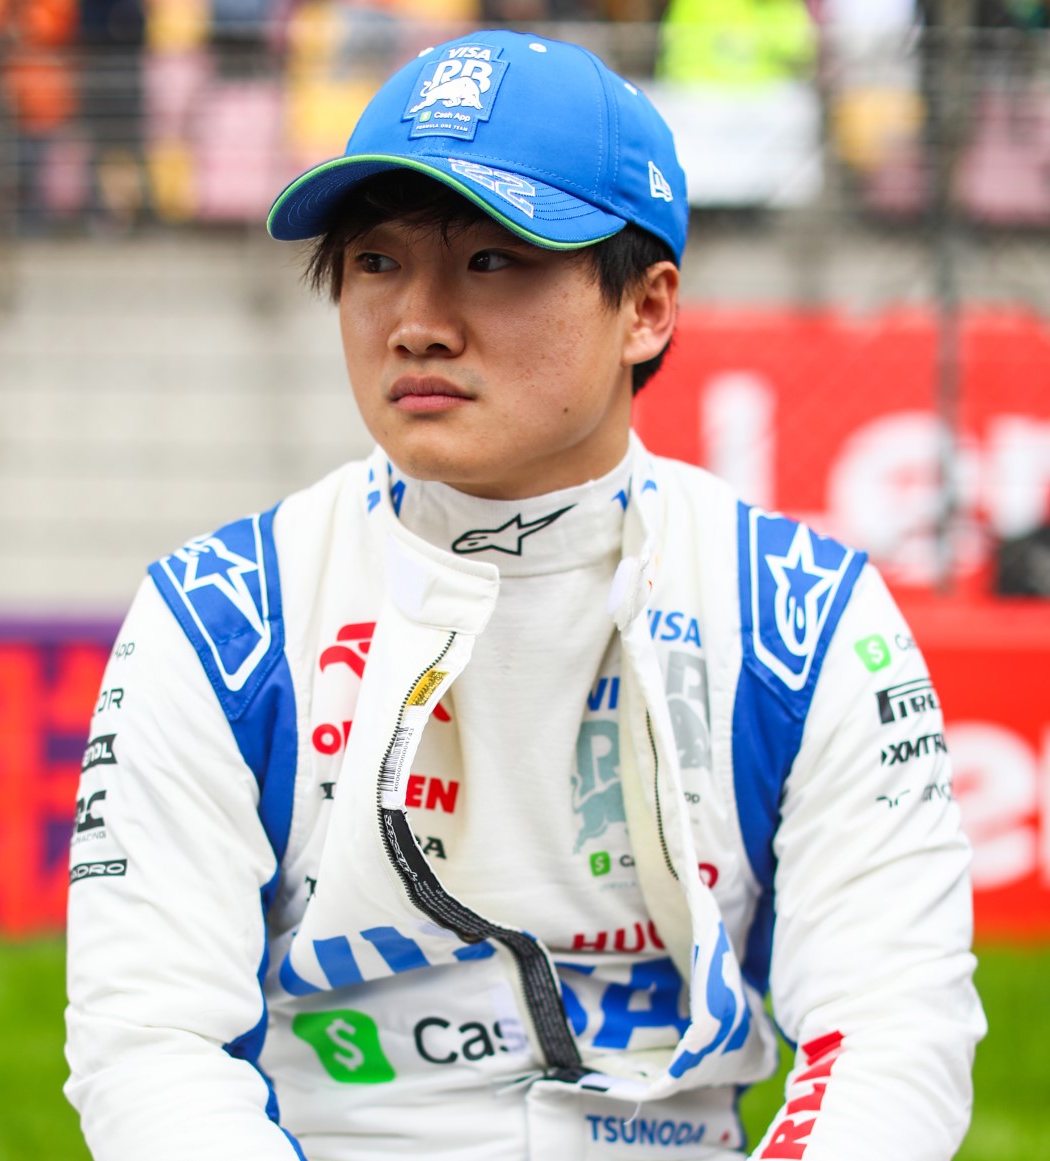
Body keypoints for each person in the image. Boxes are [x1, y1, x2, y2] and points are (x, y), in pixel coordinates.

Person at [64, 28, 985, 1161]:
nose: (418, 321)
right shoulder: (219, 617)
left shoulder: (806, 616)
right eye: (376, 262)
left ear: (646, 309)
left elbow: (895, 1030)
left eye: (493, 259)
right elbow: (150, 1045)